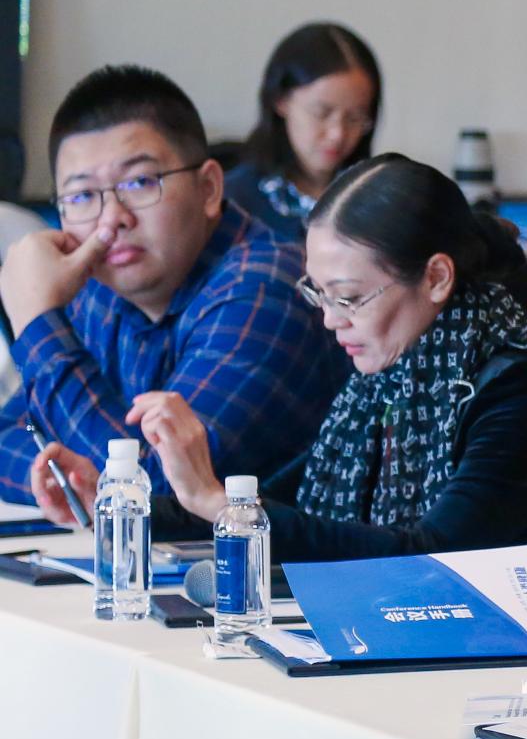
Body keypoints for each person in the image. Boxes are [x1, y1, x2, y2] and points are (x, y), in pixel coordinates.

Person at [34, 154, 527, 617]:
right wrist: (119, 503)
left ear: (436, 278)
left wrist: (220, 503)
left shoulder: (519, 400)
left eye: (349, 297)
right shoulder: (377, 392)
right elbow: (286, 503)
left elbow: (431, 559)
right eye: (318, 293)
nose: (331, 320)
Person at [4, 66, 347, 522]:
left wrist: (35, 318)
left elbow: (160, 495)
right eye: (82, 196)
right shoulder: (102, 286)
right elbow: (12, 435)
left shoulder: (266, 288)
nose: (112, 219)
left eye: (140, 183)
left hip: (274, 568)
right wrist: (59, 478)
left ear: (208, 189)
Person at [223, 22, 383, 243]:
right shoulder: (234, 202)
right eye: (321, 113)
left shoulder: (378, 201)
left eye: (355, 117)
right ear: (281, 100)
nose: (337, 134)